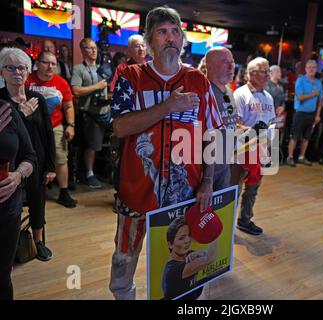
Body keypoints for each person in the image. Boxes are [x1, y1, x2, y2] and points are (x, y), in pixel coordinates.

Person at [108, 6, 223, 300]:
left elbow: (213, 135)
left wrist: (208, 181)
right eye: (161, 32)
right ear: (148, 40)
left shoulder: (199, 80)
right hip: (136, 191)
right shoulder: (130, 77)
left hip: (185, 196)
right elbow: (120, 127)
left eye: (175, 32)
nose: (170, 38)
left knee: (180, 257)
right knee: (125, 257)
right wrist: (168, 107)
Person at [0, 48, 55, 261]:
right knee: (10, 207)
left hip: (37, 161)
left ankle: (38, 242)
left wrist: (50, 166)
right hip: (9, 164)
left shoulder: (37, 99)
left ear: (27, 71)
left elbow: (48, 135)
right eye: (10, 67)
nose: (16, 72)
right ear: (2, 72)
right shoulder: (1, 101)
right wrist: (21, 116)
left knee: (37, 201)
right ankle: (10, 243)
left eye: (21, 67)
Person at [25, 51, 77, 208]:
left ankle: (63, 191)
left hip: (55, 126)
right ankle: (29, 191)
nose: (50, 66)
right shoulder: (28, 80)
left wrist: (71, 125)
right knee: (30, 157)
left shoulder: (61, 83)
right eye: (46, 63)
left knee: (61, 158)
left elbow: (68, 106)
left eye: (53, 64)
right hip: (31, 127)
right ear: (38, 63)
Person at [232, 57, 275, 235]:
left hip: (261, 148)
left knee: (254, 187)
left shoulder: (268, 96)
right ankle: (227, 225)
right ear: (251, 74)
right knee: (235, 188)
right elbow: (235, 124)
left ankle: (245, 220)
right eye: (263, 71)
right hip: (242, 149)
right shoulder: (240, 94)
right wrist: (254, 131)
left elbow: (271, 121)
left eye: (268, 71)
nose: (267, 75)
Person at [0, 100, 36, 300]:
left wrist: (18, 176)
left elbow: (30, 156)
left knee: (3, 276)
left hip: (7, 211)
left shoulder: (6, 110)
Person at [71, 38, 109, 189]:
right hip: (89, 113)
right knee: (91, 145)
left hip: (105, 111)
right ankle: (89, 173)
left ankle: (99, 171)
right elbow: (76, 90)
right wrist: (96, 86)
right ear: (83, 50)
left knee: (102, 144)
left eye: (95, 48)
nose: (93, 51)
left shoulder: (102, 67)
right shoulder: (79, 68)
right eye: (89, 48)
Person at [205, 47, 239, 191]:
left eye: (232, 62)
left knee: (222, 210)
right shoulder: (204, 93)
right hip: (206, 171)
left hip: (225, 165)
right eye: (225, 62)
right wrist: (207, 179)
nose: (232, 67)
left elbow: (230, 122)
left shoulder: (229, 92)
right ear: (210, 66)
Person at [162, 216, 217, 300]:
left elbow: (208, 255)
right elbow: (210, 258)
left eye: (189, 235)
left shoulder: (188, 254)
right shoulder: (174, 270)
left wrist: (201, 253)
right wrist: (213, 232)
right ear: (170, 244)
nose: (187, 240)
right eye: (181, 238)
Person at [286, 59, 323, 167]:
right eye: (309, 67)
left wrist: (317, 115)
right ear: (306, 69)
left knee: (307, 136)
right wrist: (313, 94)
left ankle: (301, 157)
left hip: (311, 114)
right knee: (295, 136)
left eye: (313, 67)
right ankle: (290, 157)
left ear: (316, 69)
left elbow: (320, 100)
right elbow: (300, 97)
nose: (311, 69)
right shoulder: (300, 80)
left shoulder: (318, 82)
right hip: (300, 113)